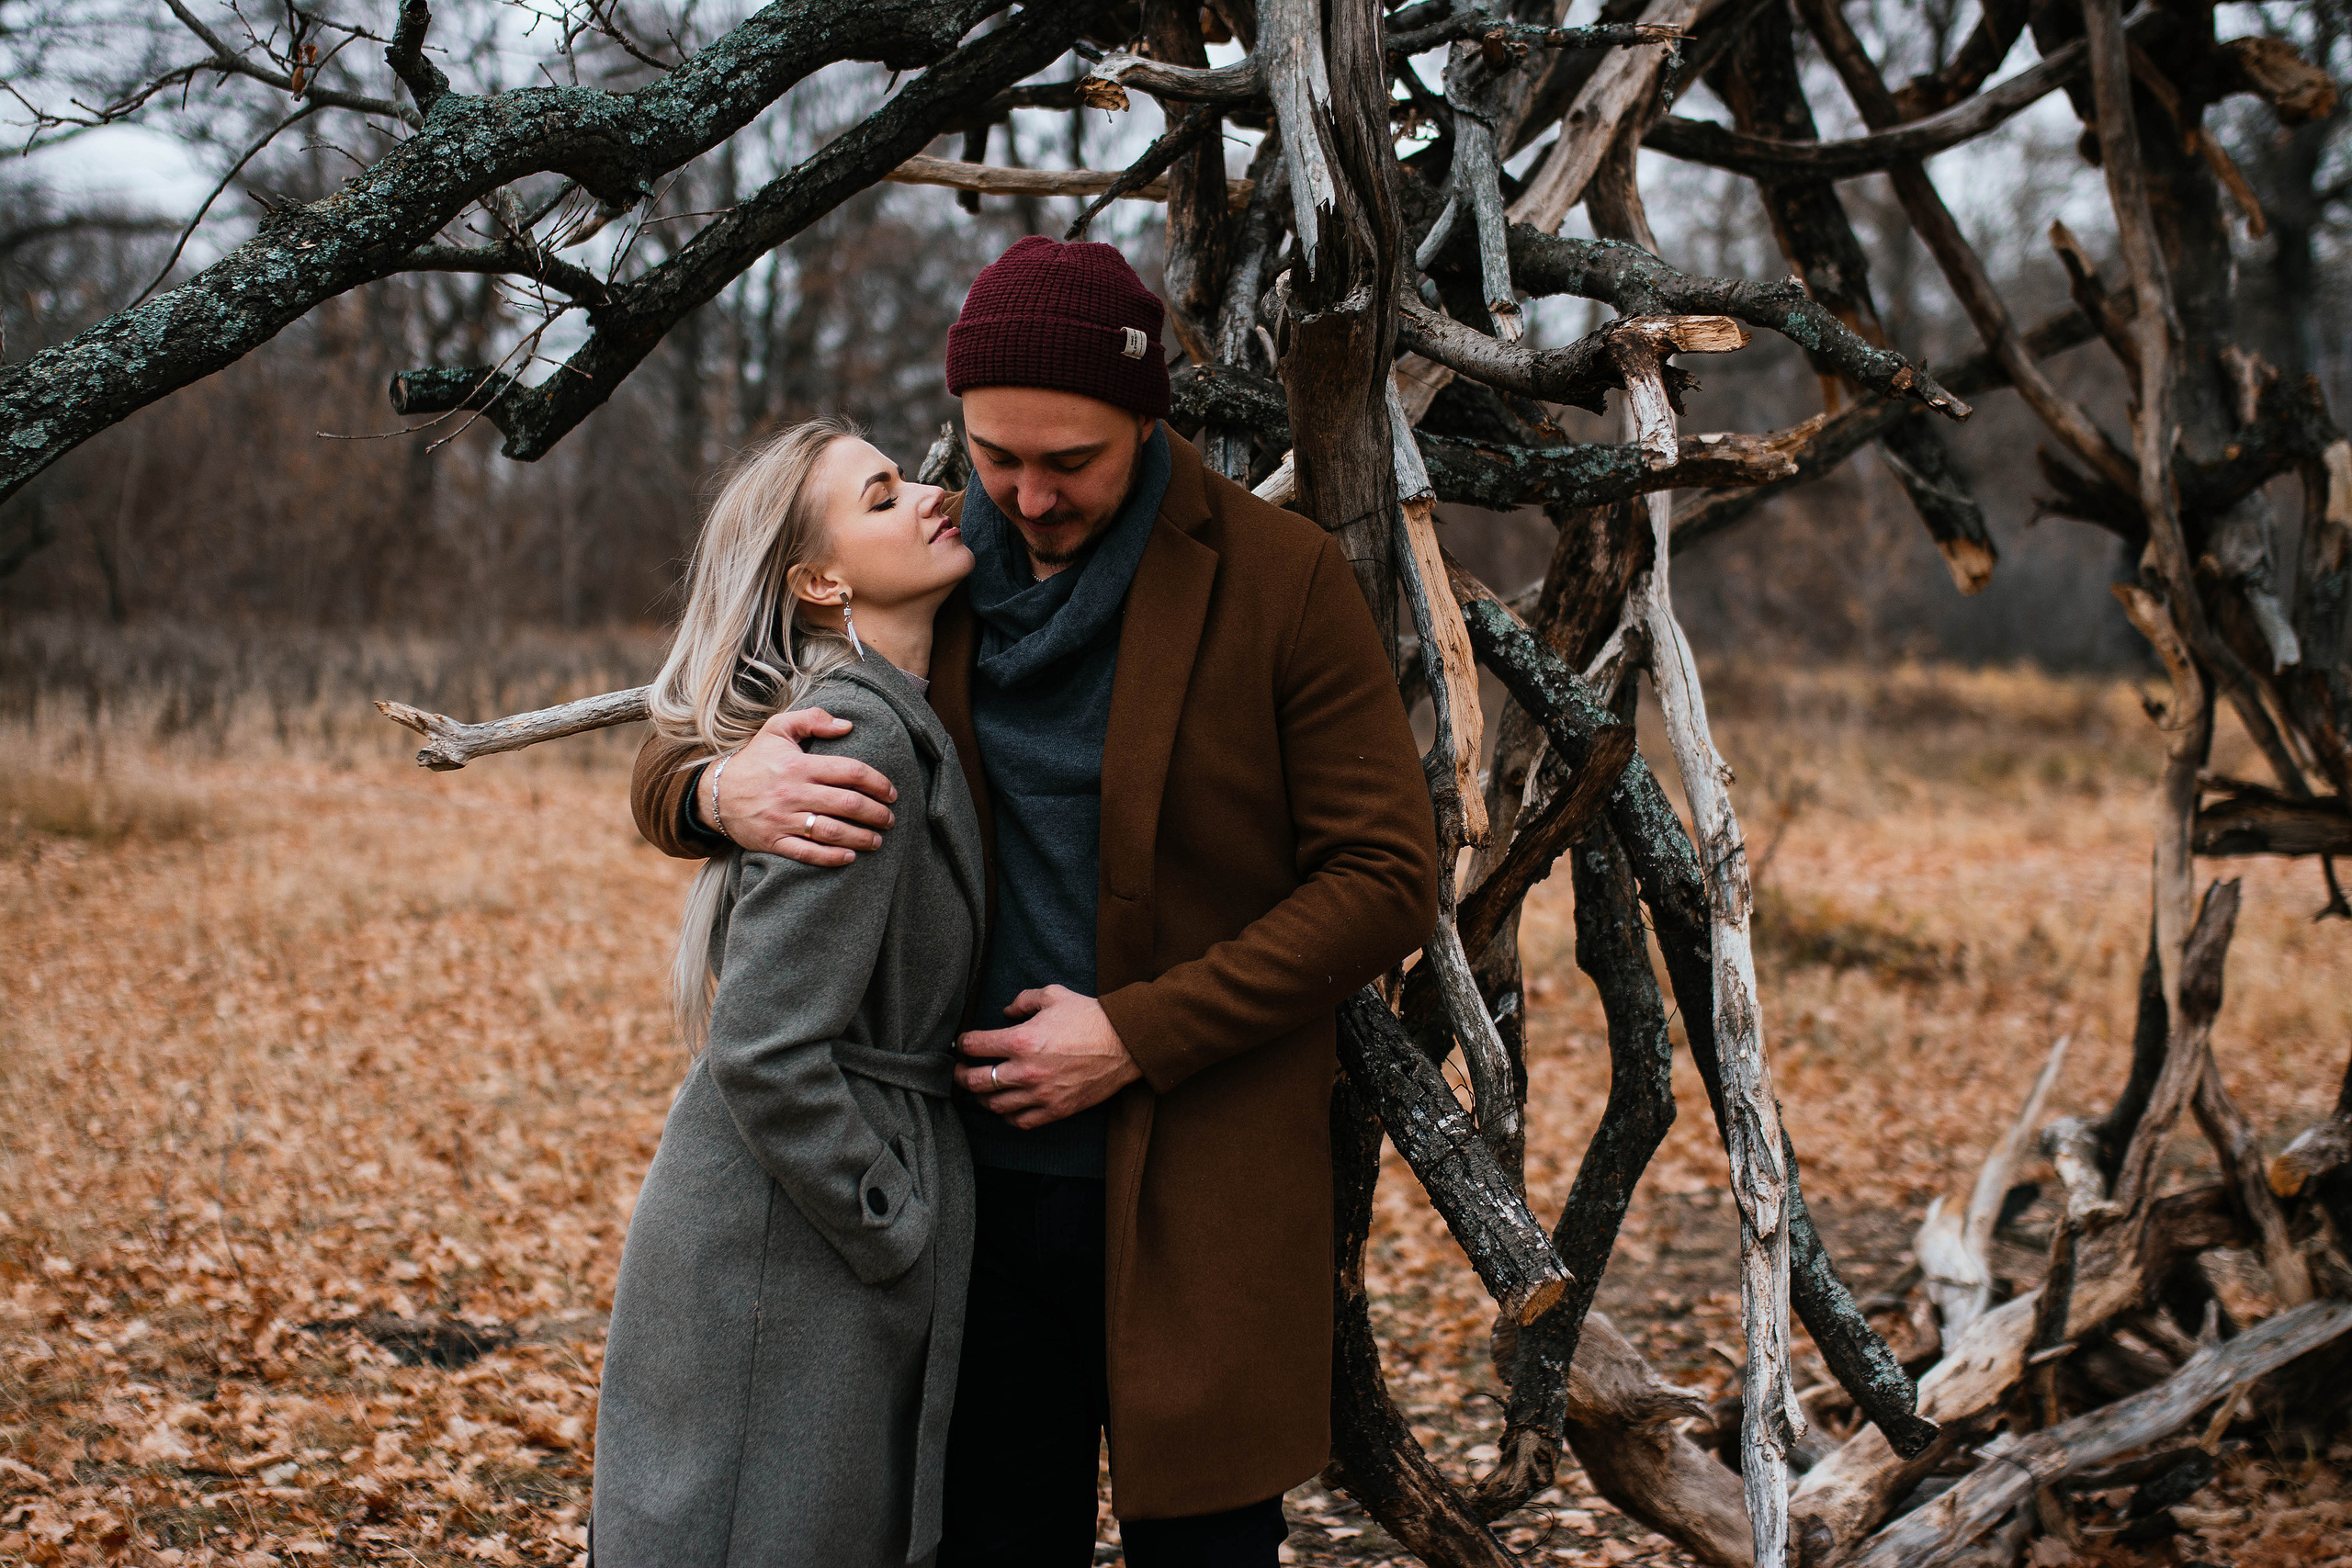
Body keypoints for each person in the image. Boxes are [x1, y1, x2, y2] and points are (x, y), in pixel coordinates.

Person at [628, 238, 1441, 1568]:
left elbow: (1384, 875)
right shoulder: (929, 571)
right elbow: (704, 698)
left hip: (1202, 1172)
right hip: (971, 1199)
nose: (1028, 493)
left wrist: (1134, 1031)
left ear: (1148, 419)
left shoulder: (1280, 580)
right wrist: (715, 790)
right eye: (997, 453)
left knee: (1211, 1548)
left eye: (1070, 461)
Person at [591, 416, 986, 1568]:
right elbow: (764, 1047)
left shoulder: (896, 699)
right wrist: (888, 1218)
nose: (927, 494)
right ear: (819, 579)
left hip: (810, 1220)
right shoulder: (852, 728)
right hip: (786, 1234)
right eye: (879, 498)